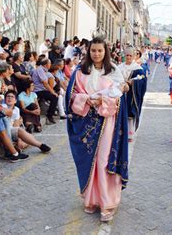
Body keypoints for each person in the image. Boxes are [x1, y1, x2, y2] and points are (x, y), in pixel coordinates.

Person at [66, 36, 128, 222]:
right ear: (88, 51)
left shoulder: (114, 71)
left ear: (105, 51)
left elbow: (118, 96)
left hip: (107, 122)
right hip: (86, 120)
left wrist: (104, 100)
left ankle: (107, 202)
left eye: (100, 50)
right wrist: (86, 100)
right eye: (93, 50)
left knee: (103, 161)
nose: (96, 54)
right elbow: (71, 95)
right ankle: (92, 198)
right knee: (89, 161)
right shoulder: (79, 71)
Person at [118, 48, 147, 142]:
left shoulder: (137, 68)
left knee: (129, 113)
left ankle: (129, 134)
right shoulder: (119, 67)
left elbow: (143, 79)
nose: (129, 57)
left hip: (131, 94)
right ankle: (120, 132)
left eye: (130, 55)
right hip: (120, 92)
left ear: (134, 56)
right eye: (127, 55)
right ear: (124, 56)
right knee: (119, 112)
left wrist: (133, 82)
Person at [32, 59, 58, 124]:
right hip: (38, 90)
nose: (50, 65)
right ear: (46, 65)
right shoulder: (40, 70)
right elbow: (45, 83)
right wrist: (52, 92)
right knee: (54, 97)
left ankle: (51, 114)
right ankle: (50, 115)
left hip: (42, 90)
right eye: (50, 63)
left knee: (55, 95)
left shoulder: (42, 70)